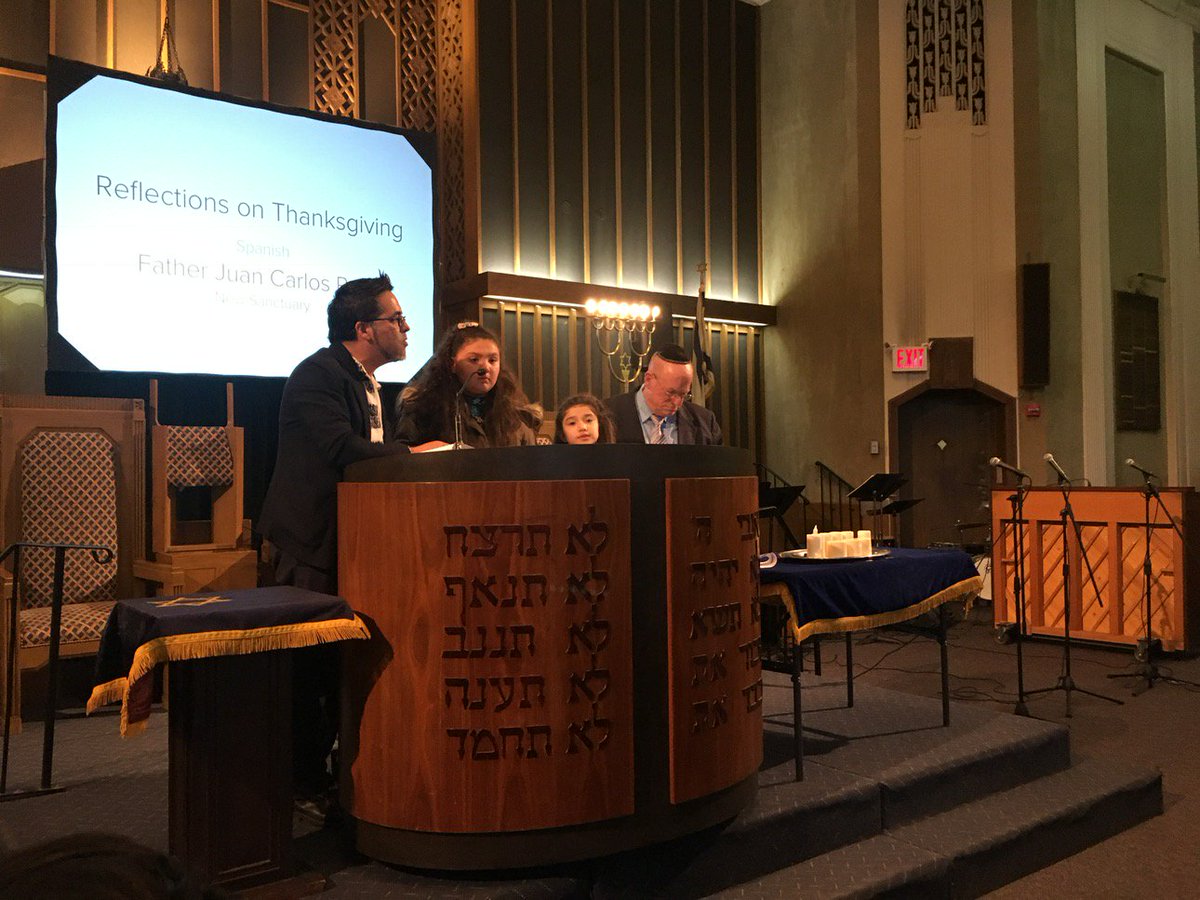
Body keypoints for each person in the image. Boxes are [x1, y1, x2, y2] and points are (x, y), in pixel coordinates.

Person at [257, 272, 428, 810]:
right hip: (309, 542)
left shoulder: (367, 381)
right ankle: (299, 784)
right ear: (364, 328)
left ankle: (330, 773)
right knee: (308, 668)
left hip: (352, 541)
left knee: (338, 665)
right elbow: (341, 448)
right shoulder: (318, 374)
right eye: (396, 319)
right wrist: (413, 455)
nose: (406, 327)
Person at [395, 321, 542, 447]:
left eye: (492, 360)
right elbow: (405, 456)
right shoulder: (422, 410)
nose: (485, 368)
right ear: (452, 364)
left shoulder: (516, 416)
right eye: (474, 360)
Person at [605, 343, 723, 445]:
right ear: (648, 379)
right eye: (671, 392)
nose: (677, 403)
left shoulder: (705, 423)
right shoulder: (607, 415)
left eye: (683, 395)